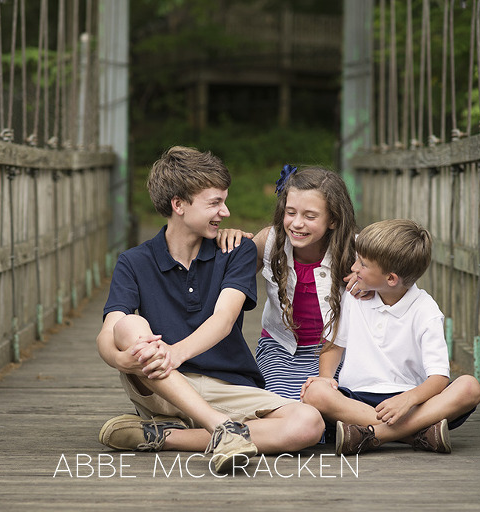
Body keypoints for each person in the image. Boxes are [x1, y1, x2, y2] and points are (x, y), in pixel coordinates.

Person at [96, 146, 324, 473]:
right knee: (129, 326)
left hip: (229, 387)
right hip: (163, 384)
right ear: (179, 205)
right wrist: (120, 360)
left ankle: (167, 436)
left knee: (309, 423)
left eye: (224, 201)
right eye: (215, 203)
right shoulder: (133, 262)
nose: (225, 212)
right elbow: (110, 330)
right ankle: (221, 428)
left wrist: (174, 352)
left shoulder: (236, 251)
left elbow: (224, 320)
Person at [300, 219, 480, 455]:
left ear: (391, 279)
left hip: (412, 403)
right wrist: (326, 378)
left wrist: (408, 399)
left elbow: (438, 378)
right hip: (356, 400)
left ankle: (372, 435)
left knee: (470, 387)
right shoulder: (354, 297)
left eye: (362, 264)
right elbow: (334, 346)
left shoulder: (426, 311)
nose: (354, 267)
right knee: (315, 392)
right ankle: (416, 435)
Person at [217, 165, 359, 400]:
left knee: (333, 400)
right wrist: (229, 240)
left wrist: (371, 282)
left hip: (337, 351)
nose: (297, 223)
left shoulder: (356, 251)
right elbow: (226, 275)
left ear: (333, 219)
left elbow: (395, 282)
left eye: (310, 216)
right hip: (281, 349)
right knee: (280, 404)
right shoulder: (270, 241)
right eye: (290, 212)